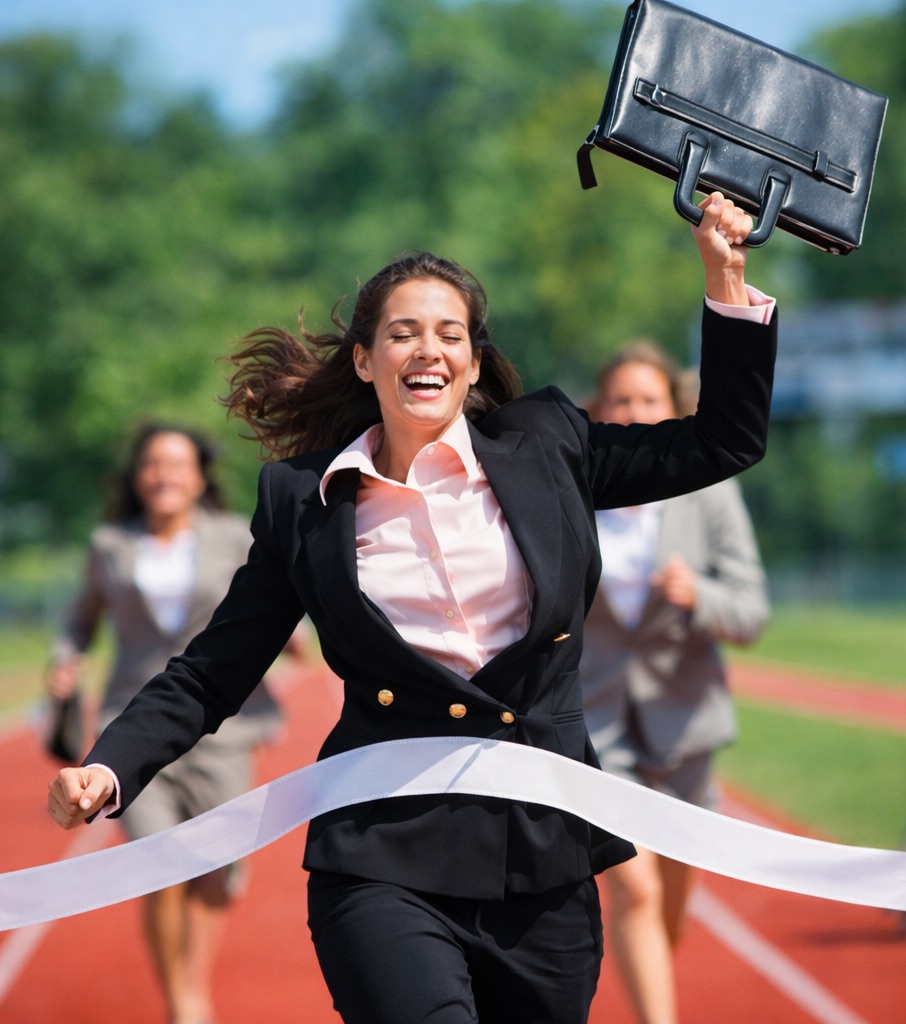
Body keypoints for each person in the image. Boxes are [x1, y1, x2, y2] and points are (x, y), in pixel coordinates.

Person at [48, 192, 777, 1024]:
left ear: (471, 364)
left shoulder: (550, 443)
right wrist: (108, 769)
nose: (426, 349)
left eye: (449, 334)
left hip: (543, 860)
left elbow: (726, 439)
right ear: (365, 360)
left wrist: (724, 275)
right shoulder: (303, 501)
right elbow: (214, 670)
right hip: (382, 858)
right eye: (402, 332)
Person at [45, 423, 306, 1024]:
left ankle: (195, 979)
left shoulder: (234, 534)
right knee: (159, 862)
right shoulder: (111, 544)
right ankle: (185, 1002)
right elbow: (80, 619)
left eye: (178, 464)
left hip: (224, 727)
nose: (165, 475)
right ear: (138, 478)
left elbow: (264, 601)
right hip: (131, 724)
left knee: (216, 872)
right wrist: (66, 657)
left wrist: (293, 634)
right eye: (153, 465)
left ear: (199, 476)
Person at [579, 343, 770, 1024]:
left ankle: (647, 993)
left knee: (668, 910)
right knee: (631, 888)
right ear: (597, 413)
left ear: (674, 409)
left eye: (649, 401)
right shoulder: (574, 489)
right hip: (596, 729)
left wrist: (701, 598)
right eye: (621, 401)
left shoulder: (710, 490)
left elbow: (751, 611)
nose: (635, 413)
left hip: (686, 729)